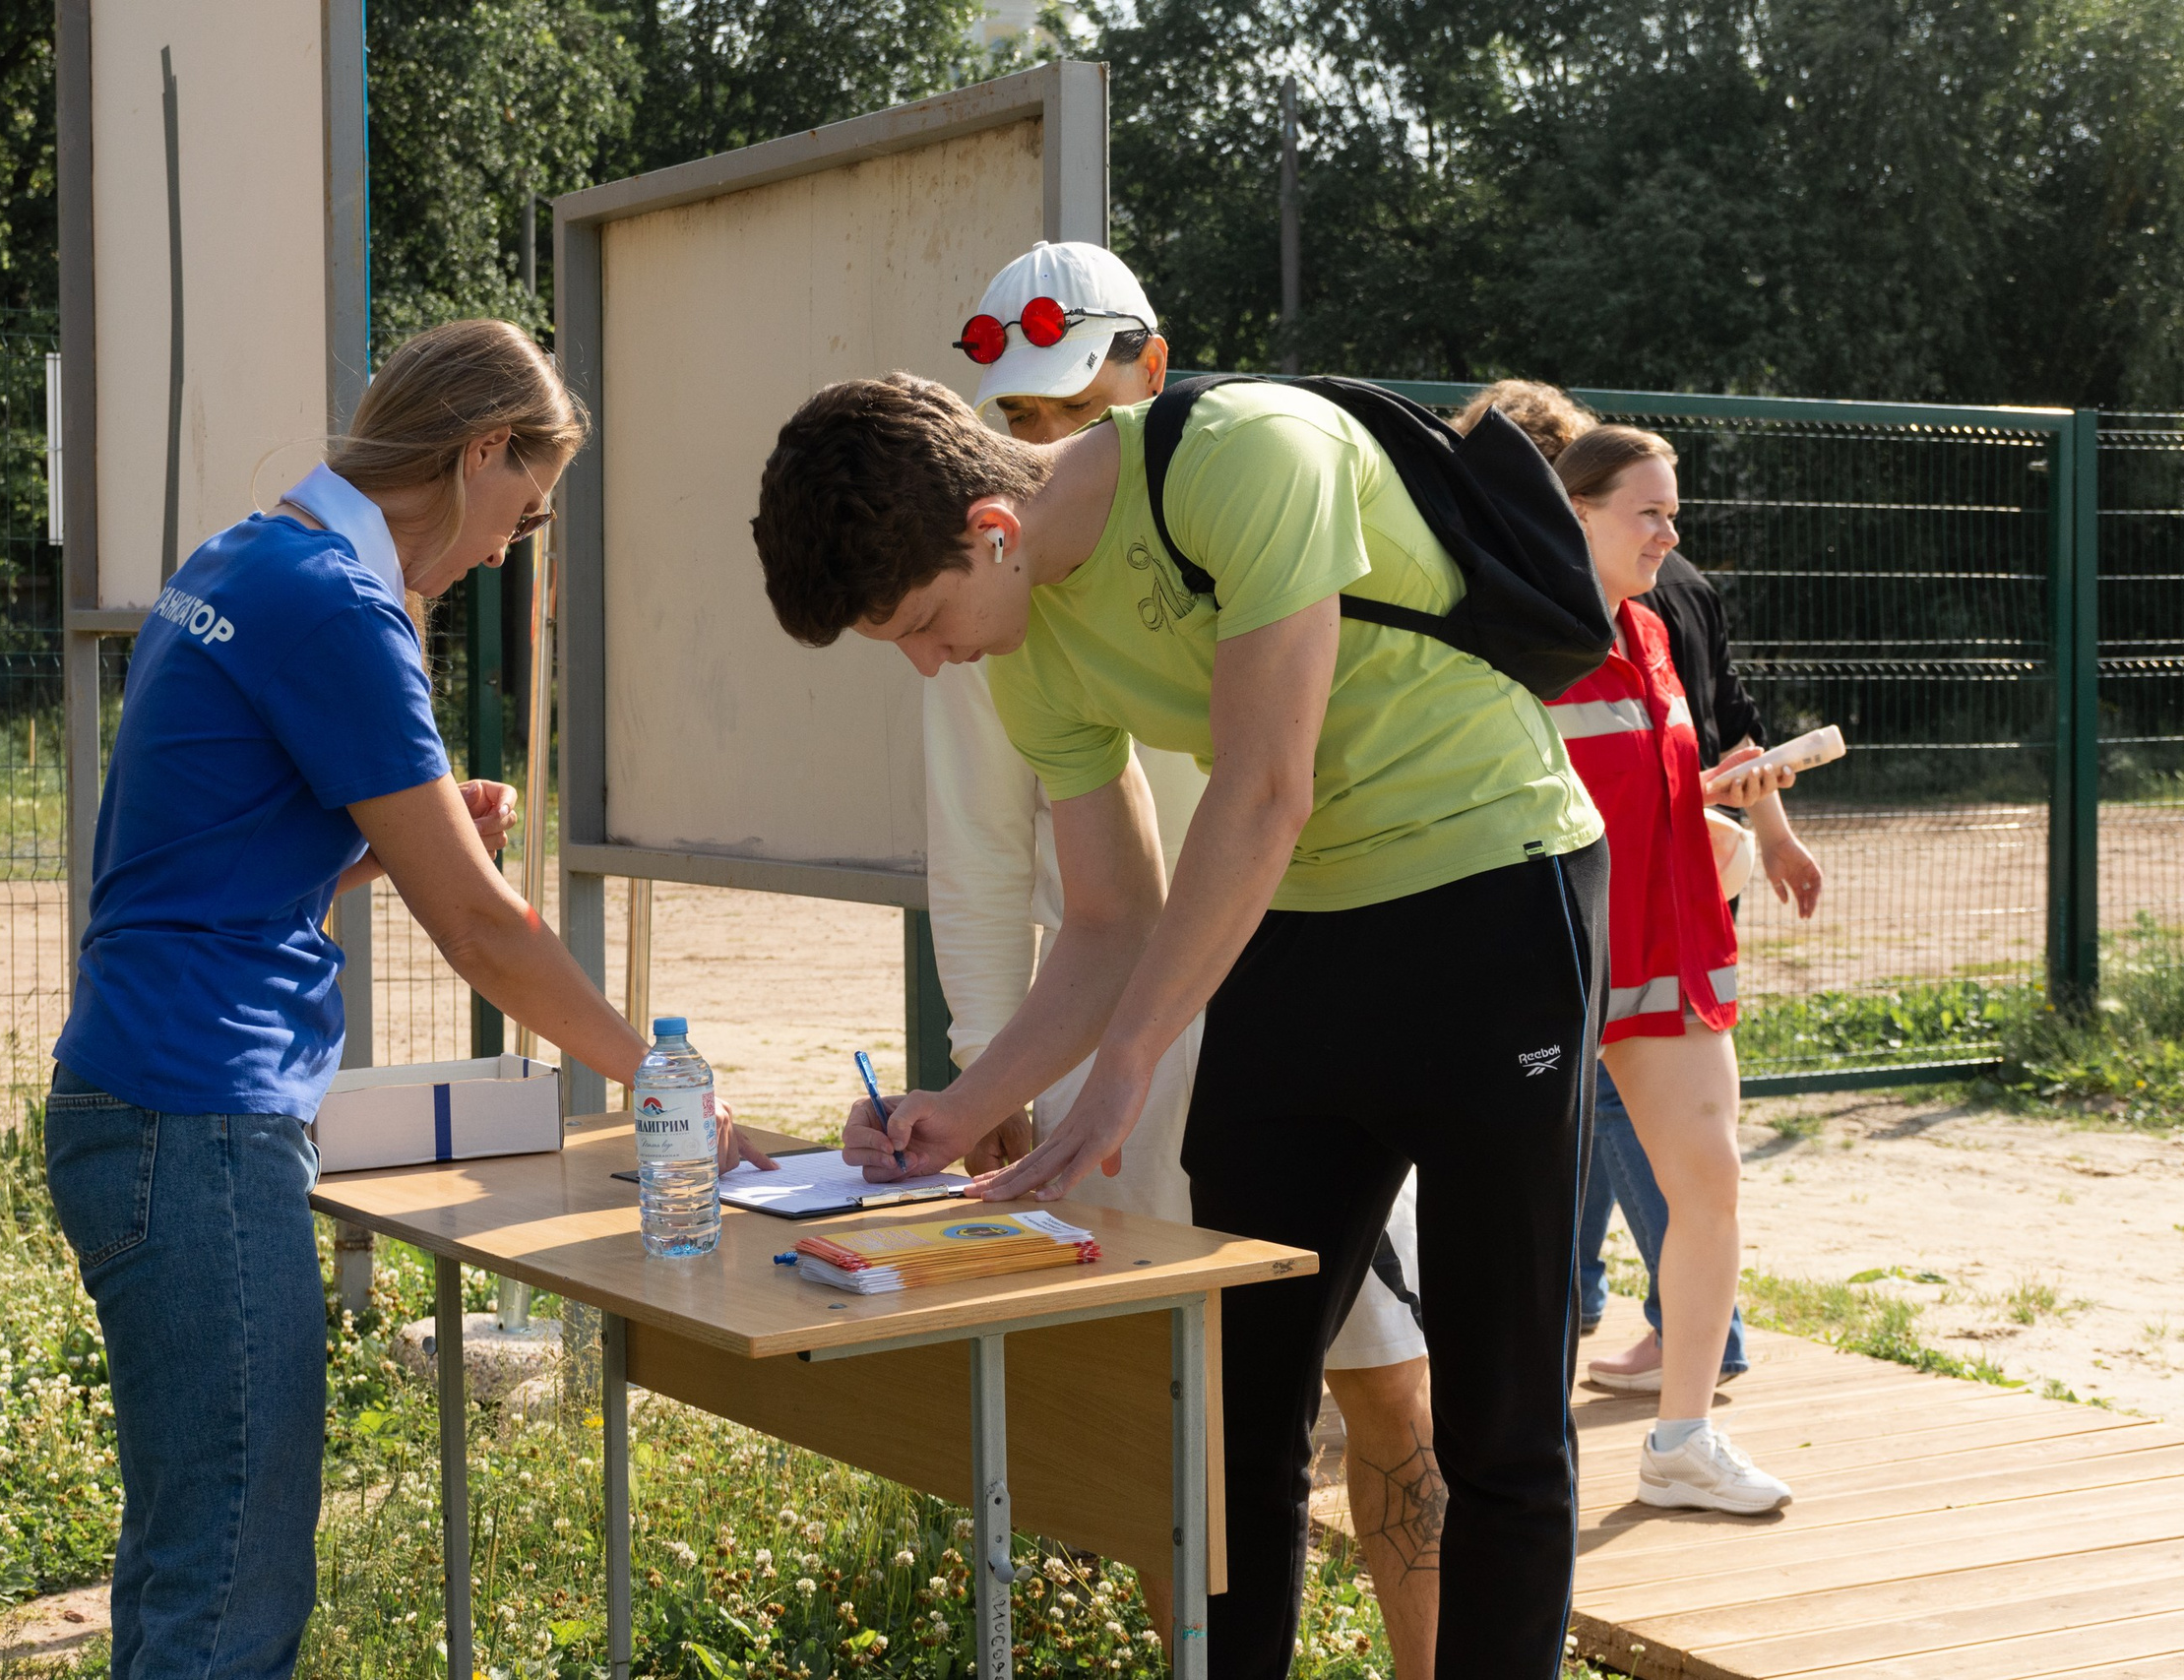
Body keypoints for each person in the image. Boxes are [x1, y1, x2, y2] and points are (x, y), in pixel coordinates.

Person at [753, 366, 1609, 1678]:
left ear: (994, 528)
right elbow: (1110, 918)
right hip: (1305, 932)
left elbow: (1265, 789)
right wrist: (960, 1110)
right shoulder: (1024, 644)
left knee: (1500, 1418)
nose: (931, 660)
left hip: (1491, 903)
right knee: (1225, 1417)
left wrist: (1131, 1062)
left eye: (923, 621)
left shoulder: (1248, 455)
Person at [47, 319, 769, 1680]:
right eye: (526, 506)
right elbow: (490, 938)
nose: (512, 545)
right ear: (480, 448)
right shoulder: (339, 602)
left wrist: (382, 844)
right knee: (231, 1580)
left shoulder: (246, 557)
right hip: (199, 1114)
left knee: (189, 1546)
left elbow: (216, 862)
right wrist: (665, 1081)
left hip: (144, 1094)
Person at [932, 241, 1437, 1677]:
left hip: (1310, 1012)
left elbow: (1295, 775)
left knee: (1396, 1386)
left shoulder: (1232, 506)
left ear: (1153, 376)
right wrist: (997, 1077)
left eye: (1072, 409)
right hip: (1120, 1079)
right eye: (1017, 423)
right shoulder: (972, 589)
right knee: (1191, 1422)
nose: (1044, 450)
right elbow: (977, 858)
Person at [1547, 423, 1792, 1515]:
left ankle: (1680, 1440)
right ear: (1577, 514)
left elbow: (1648, 788)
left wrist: (1722, 823)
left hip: (1670, 949)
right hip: (1553, 960)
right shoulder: (1525, 643)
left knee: (1712, 1183)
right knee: (1515, 1209)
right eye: (1647, 511)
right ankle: (1486, 1440)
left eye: (1672, 509)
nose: (1669, 532)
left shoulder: (1649, 630)